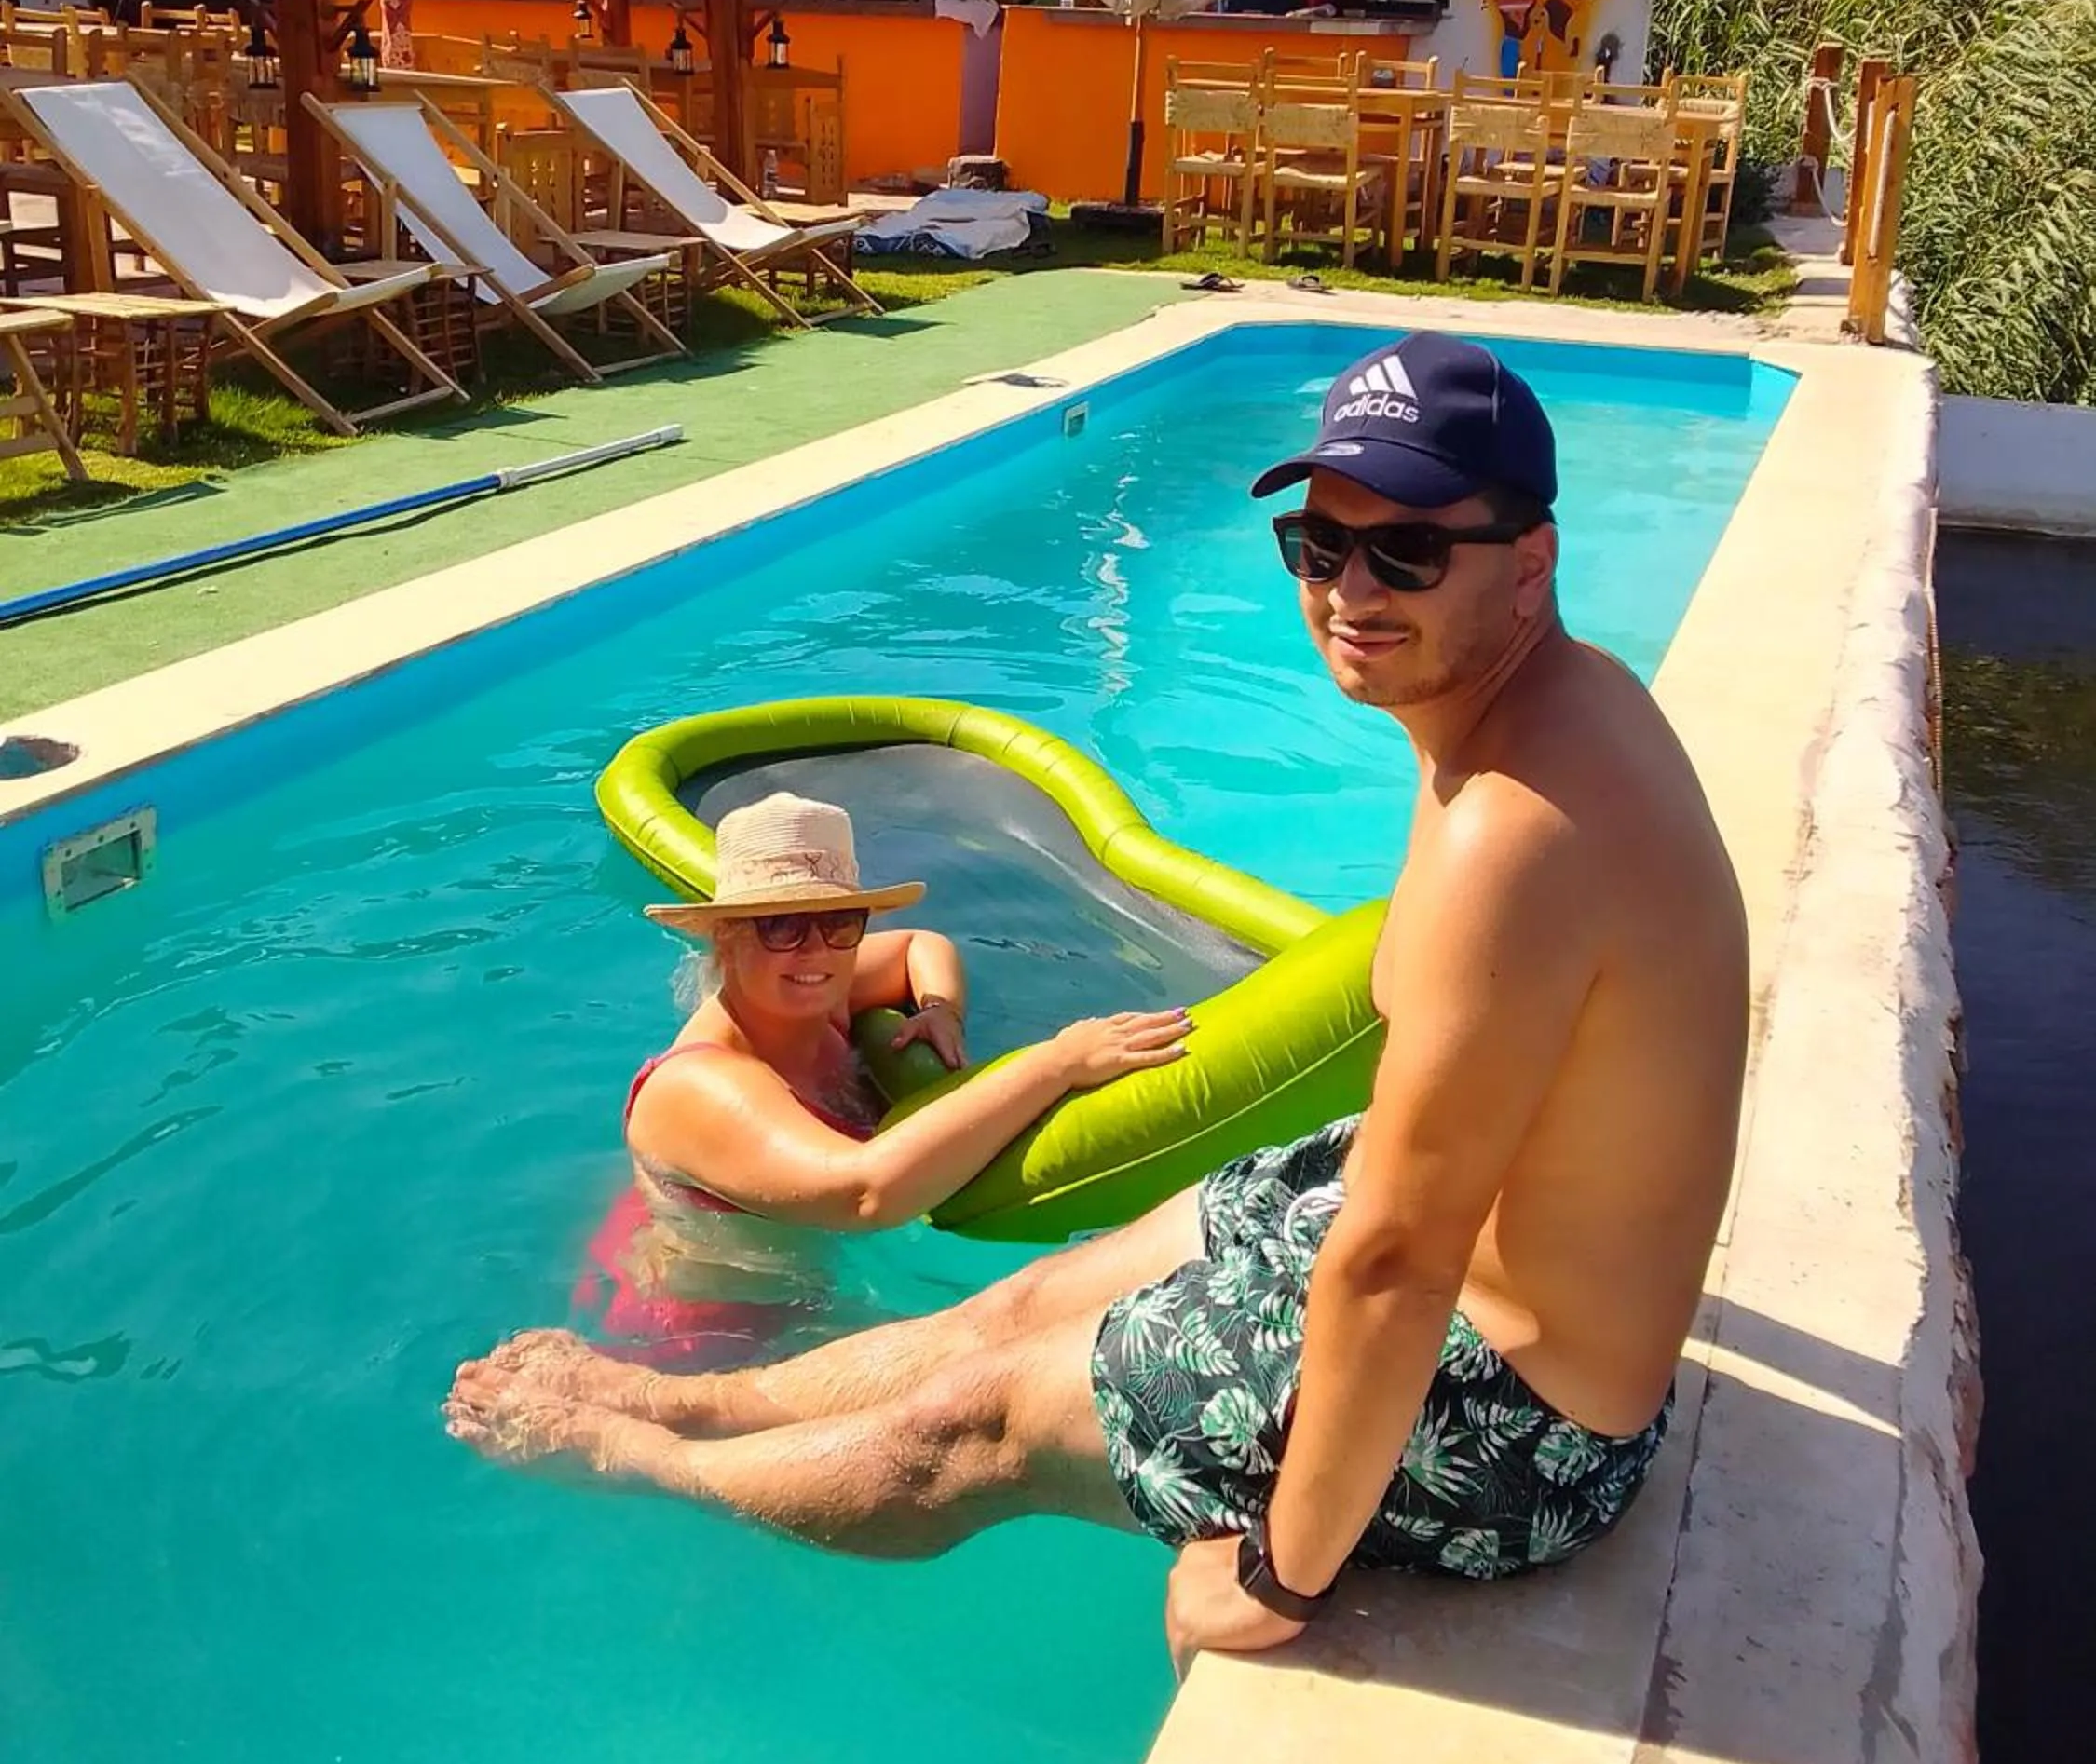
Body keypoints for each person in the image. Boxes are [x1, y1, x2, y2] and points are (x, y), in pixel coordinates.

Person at [450, 333, 1749, 1670]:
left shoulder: (1514, 831)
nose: (1349, 591)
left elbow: (1399, 1264)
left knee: (974, 1425)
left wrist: (1277, 1574)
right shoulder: (1539, 717)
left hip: (1521, 1417)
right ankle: (699, 1404)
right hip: (1474, 1261)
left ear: (1527, 562)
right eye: (1318, 545)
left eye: (1405, 553)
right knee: (1017, 1306)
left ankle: (634, 1454)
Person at [571, 791, 1189, 1360]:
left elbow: (923, 944)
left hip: (796, 1294)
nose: (815, 951)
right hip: (695, 1343)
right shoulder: (699, 1087)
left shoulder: (812, 994)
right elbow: (864, 1195)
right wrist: (1056, 1063)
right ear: (724, 939)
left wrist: (939, 1011)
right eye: (780, 926)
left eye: (840, 922)